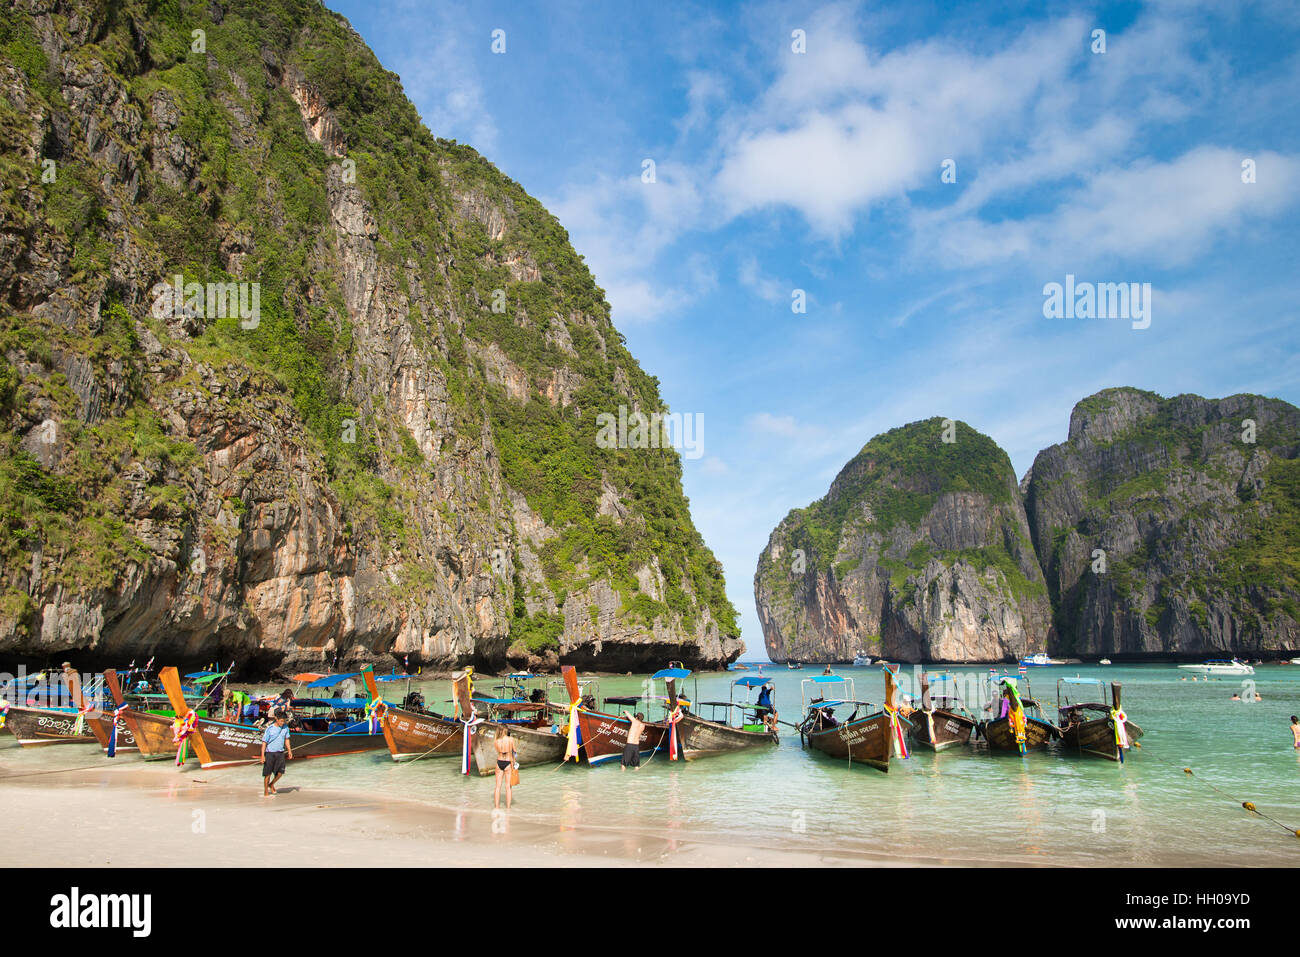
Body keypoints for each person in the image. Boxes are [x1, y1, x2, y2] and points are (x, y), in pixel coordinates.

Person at [260, 712, 293, 796]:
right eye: (281, 721)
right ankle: (266, 792)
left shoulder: (286, 728)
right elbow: (264, 742)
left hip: (280, 753)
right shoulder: (270, 729)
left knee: (280, 773)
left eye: (284, 721)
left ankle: (271, 784)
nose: (282, 723)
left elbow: (287, 740)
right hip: (270, 753)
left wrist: (289, 751)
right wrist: (262, 756)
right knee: (268, 774)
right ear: (277, 719)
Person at [493, 726, 517, 809]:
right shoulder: (510, 739)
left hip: (499, 762)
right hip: (508, 762)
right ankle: (508, 808)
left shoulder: (496, 741)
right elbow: (515, 751)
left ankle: (496, 807)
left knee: (497, 786)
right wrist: (514, 762)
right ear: (505, 730)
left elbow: (498, 751)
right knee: (508, 787)